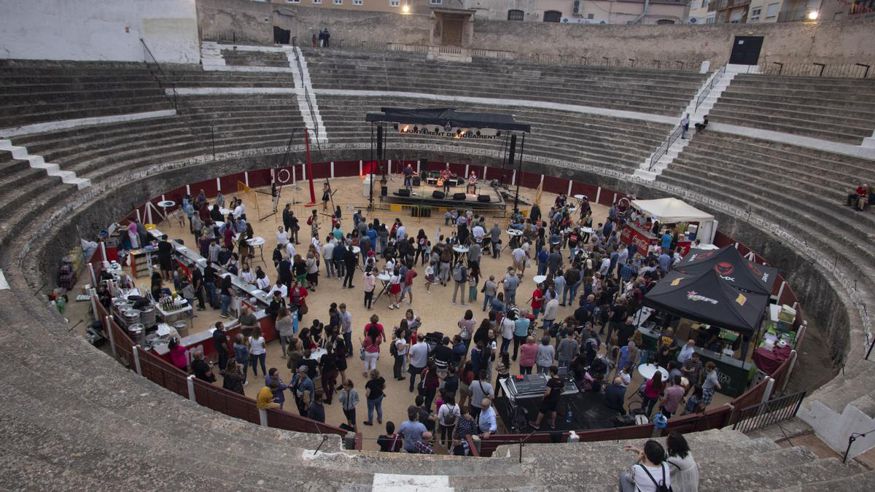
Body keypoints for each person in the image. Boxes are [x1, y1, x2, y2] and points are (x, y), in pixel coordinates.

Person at [529, 365, 563, 430]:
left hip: (549, 399)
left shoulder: (551, 381)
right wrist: (558, 394)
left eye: (550, 372)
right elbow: (563, 389)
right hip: (556, 399)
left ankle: (537, 424)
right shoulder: (561, 380)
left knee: (542, 410)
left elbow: (548, 392)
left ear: (552, 372)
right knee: (554, 410)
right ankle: (553, 424)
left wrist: (543, 397)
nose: (549, 373)